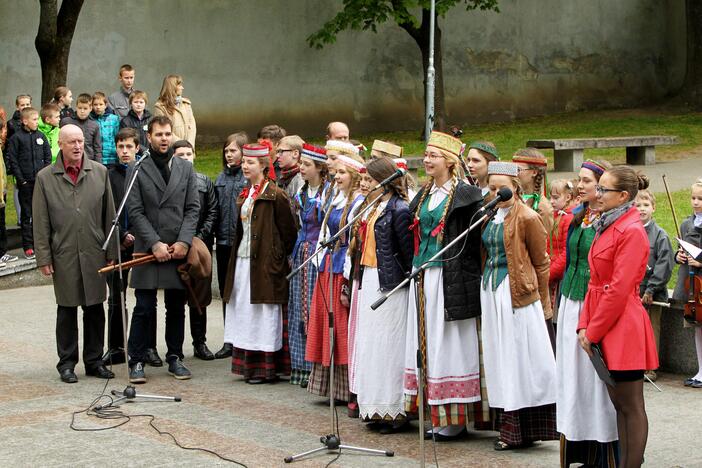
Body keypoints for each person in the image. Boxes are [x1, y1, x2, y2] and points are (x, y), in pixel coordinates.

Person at [404, 131, 485, 441]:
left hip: (449, 276)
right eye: (425, 155)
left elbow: (473, 242)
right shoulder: (425, 194)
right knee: (425, 341)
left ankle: (454, 417)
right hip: (423, 273)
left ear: (450, 162)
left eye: (433, 156)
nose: (426, 160)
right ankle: (434, 410)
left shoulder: (466, 196)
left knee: (447, 341)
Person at [577, 166, 658, 468]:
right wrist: (584, 325)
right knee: (618, 405)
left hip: (623, 326)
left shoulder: (632, 231)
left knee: (631, 405)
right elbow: (594, 280)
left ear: (623, 196)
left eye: (603, 190)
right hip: (604, 323)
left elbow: (619, 290)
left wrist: (592, 331)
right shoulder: (607, 224)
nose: (596, 194)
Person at [480, 161, 558, 450]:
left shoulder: (527, 217)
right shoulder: (489, 216)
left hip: (517, 296)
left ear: (514, 186)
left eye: (500, 186)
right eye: (491, 186)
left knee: (517, 359)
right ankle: (504, 422)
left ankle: (519, 428)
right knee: (500, 357)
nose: (495, 191)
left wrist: (542, 303)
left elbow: (541, 262)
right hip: (491, 292)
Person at [32, 124, 117, 383]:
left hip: (94, 252)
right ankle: (67, 364)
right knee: (66, 309)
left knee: (95, 308)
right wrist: (44, 257)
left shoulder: (100, 172)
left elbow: (109, 216)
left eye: (80, 141)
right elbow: (41, 221)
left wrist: (111, 251)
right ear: (61, 144)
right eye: (72, 142)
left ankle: (94, 361)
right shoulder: (45, 178)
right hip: (64, 253)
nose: (78, 146)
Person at [126, 115, 200, 383]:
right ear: (149, 136)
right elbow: (134, 210)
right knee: (144, 307)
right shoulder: (137, 168)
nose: (164, 139)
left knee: (176, 307)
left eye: (168, 134)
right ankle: (136, 360)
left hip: (176, 247)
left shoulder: (185, 167)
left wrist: (183, 241)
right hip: (149, 247)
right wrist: (154, 242)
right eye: (159, 134)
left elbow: (193, 208)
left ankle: (175, 357)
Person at [555, 159, 619, 468]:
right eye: (578, 180)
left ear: (602, 187)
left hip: (593, 304)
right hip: (570, 300)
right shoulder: (578, 216)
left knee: (594, 379)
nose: (580, 186)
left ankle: (602, 452)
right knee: (572, 377)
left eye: (587, 181)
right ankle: (578, 448)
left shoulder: (609, 222)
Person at [222, 143, 297, 384]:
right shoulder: (247, 193)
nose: (244, 165)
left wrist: (275, 256)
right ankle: (247, 363)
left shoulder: (275, 194)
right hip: (244, 261)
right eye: (243, 161)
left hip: (265, 264)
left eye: (250, 162)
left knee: (263, 312)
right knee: (245, 310)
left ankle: (265, 367)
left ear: (263, 166)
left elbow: (289, 232)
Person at [348, 156, 413, 433]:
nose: (366, 185)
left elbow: (407, 253)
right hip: (370, 276)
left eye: (371, 181)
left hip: (391, 282)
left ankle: (393, 410)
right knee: (371, 343)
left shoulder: (399, 209)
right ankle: (373, 407)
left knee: (389, 345)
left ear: (385, 182)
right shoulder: (373, 208)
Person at [305, 153, 365, 401]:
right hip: (328, 265)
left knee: (340, 325)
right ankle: (327, 385)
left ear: (354, 175)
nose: (336, 176)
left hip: (343, 267)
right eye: (336, 172)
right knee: (324, 320)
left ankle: (346, 386)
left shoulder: (358, 202)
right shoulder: (334, 198)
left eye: (342, 173)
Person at [172, 140, 218, 361]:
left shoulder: (204, 181)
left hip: (200, 249)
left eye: (188, 154)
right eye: (180, 154)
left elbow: (212, 212)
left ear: (195, 155)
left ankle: (200, 342)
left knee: (200, 300)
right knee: (176, 301)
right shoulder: (169, 182)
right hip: (176, 250)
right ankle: (175, 349)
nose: (185, 158)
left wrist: (198, 239)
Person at [288, 143, 329, 387]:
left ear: (320, 168)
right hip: (301, 254)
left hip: (317, 254)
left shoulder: (327, 194)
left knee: (313, 309)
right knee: (298, 310)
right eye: (301, 163)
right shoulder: (301, 193)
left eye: (306, 164)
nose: (301, 167)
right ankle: (301, 367)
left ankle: (316, 367)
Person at [102, 128, 139, 366]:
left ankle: (144, 348)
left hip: (142, 241)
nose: (124, 152)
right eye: (120, 147)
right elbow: (106, 209)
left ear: (137, 148)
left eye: (129, 147)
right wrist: (123, 233)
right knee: (116, 297)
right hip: (117, 243)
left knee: (147, 299)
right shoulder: (108, 174)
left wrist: (136, 232)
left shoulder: (143, 172)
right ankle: (116, 347)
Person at [213, 132, 249, 359]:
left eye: (233, 150)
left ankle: (244, 339)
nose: (229, 154)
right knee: (227, 293)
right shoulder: (220, 178)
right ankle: (229, 339)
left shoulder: (246, 180)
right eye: (226, 150)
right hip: (223, 242)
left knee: (242, 292)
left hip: (241, 242)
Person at [636, 188, 674, 382]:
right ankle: (635, 365)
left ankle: (650, 368)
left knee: (651, 330)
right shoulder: (631, 231)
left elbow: (664, 266)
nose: (641, 209)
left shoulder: (660, 236)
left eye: (645, 205)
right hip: (633, 292)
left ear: (654, 208)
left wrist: (651, 289)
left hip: (651, 294)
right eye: (637, 206)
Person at [5, 107, 52, 260]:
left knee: (43, 214)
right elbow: (13, 161)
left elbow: (47, 156)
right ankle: (29, 246)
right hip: (25, 183)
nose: (36, 122)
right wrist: (22, 180)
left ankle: (43, 244)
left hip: (40, 182)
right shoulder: (16, 139)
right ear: (25, 121)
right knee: (27, 215)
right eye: (33, 119)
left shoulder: (41, 136)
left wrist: (44, 175)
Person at [673, 177, 702, 388]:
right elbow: (682, 248)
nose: (696, 202)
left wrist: (699, 262)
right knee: (697, 329)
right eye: (693, 198)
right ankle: (700, 370)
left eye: (700, 198)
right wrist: (679, 257)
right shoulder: (686, 223)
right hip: (692, 287)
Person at [548, 178, 577, 323]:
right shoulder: (555, 216)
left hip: (559, 277)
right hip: (552, 271)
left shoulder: (569, 219)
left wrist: (550, 273)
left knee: (558, 318)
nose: (552, 201)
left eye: (556, 197)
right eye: (550, 197)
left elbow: (567, 252)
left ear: (568, 197)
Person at [513, 148, 554, 234]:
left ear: (534, 172)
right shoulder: (512, 198)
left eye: (518, 169)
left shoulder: (543, 208)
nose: (514, 173)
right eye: (513, 169)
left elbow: (541, 244)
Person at [153, 74, 196, 146]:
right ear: (172, 87)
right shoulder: (160, 107)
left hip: (188, 149)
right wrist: (181, 144)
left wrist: (189, 144)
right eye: (179, 85)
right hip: (172, 149)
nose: (182, 88)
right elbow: (163, 130)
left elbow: (192, 126)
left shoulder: (186, 104)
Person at [60, 93, 102, 163]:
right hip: (69, 160)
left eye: (85, 108)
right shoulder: (66, 122)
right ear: (76, 107)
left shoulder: (94, 125)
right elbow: (61, 143)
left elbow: (97, 148)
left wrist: (98, 165)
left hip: (89, 161)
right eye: (80, 108)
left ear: (90, 108)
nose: (82, 111)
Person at [90, 92, 120, 167]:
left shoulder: (114, 119)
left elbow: (117, 137)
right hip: (96, 158)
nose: (98, 107)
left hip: (112, 157)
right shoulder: (90, 119)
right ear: (92, 106)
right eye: (95, 105)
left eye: (101, 104)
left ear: (105, 105)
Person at [276, 135, 305, 206]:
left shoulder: (301, 179)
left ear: (295, 153)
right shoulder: (283, 176)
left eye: (281, 151)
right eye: (277, 152)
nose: (277, 155)